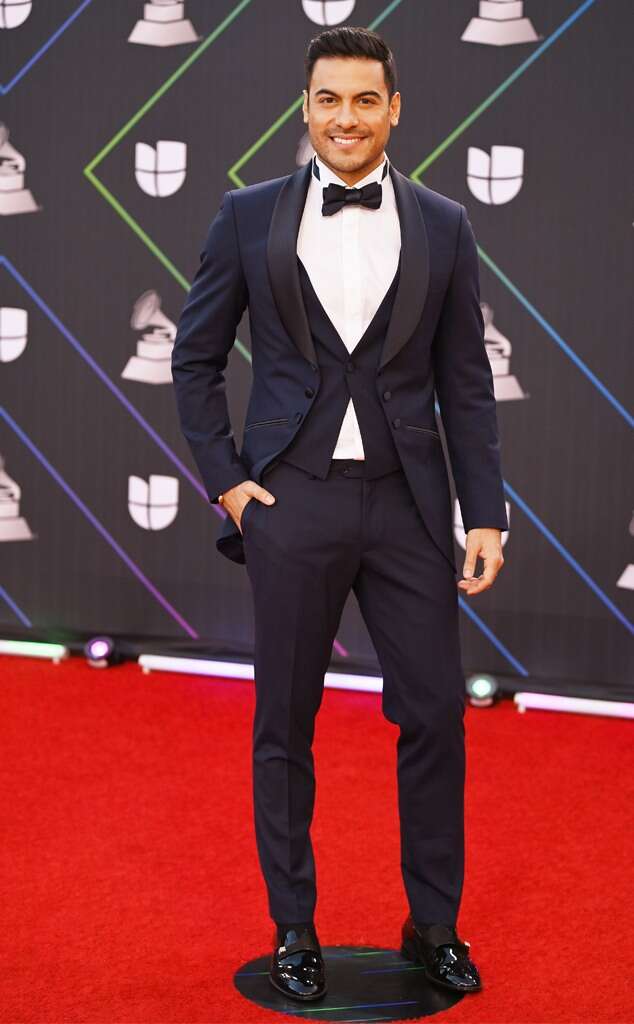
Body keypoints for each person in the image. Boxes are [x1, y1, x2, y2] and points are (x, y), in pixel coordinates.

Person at [171, 25, 508, 1002]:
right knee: (284, 720)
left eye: (365, 100)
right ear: (305, 107)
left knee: (435, 713)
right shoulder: (247, 216)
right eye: (329, 100)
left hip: (409, 506)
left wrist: (484, 512)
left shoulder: (445, 224)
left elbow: (466, 380)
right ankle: (293, 925)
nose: (346, 118)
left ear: (394, 110)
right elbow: (194, 359)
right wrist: (230, 483)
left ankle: (433, 924)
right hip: (292, 502)